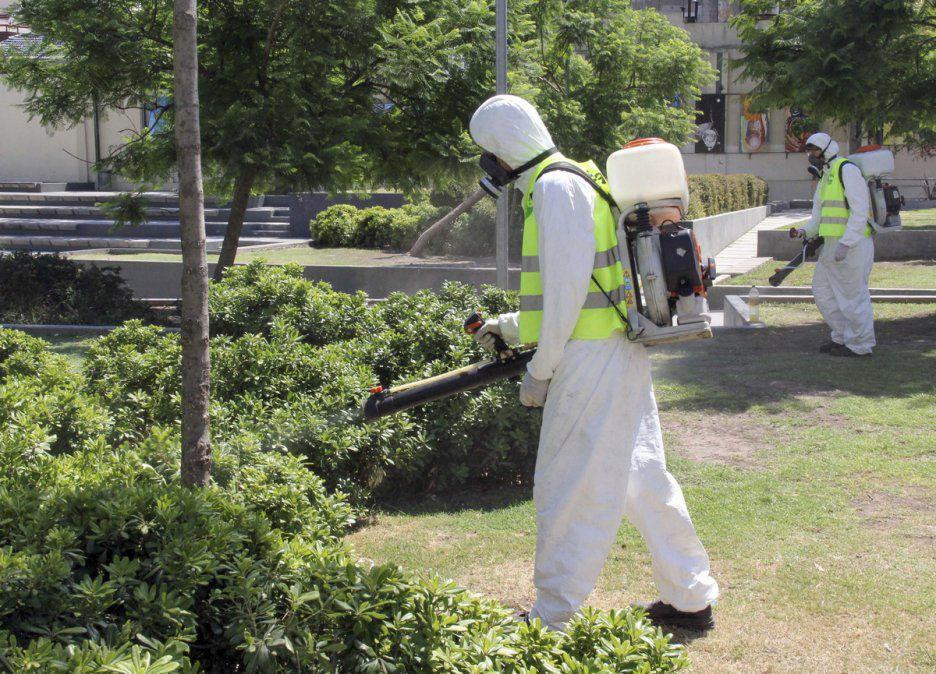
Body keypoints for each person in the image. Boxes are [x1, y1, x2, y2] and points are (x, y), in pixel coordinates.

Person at [468, 94, 719, 632]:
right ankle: (691, 597)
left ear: (502, 150)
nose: (487, 164)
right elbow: (583, 288)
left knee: (566, 488)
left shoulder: (555, 189)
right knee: (643, 478)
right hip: (616, 351)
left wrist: (539, 373)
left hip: (589, 362)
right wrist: (511, 326)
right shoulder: (578, 177)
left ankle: (551, 619)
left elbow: (564, 296)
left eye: (486, 151)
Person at [797, 132, 875, 357]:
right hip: (831, 246)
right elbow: (818, 216)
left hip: (853, 246)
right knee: (822, 291)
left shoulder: (846, 170)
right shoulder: (826, 175)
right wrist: (804, 231)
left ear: (827, 149)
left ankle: (860, 345)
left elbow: (860, 212)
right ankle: (842, 337)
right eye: (809, 151)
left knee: (853, 296)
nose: (812, 155)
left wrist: (846, 243)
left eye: (815, 150)